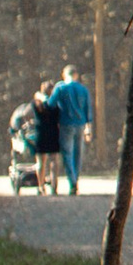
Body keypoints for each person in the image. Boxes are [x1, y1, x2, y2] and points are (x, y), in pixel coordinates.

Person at [49, 64, 93, 193]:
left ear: (64, 74)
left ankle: (72, 181)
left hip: (65, 124)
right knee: (78, 153)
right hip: (80, 124)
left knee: (67, 153)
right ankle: (76, 179)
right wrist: (88, 128)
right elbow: (88, 109)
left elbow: (50, 105)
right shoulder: (83, 89)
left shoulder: (60, 88)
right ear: (76, 75)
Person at [31, 85, 62, 193]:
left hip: (40, 133)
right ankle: (54, 186)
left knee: (40, 162)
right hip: (53, 133)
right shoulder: (55, 104)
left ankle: (41, 186)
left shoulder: (36, 103)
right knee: (54, 161)